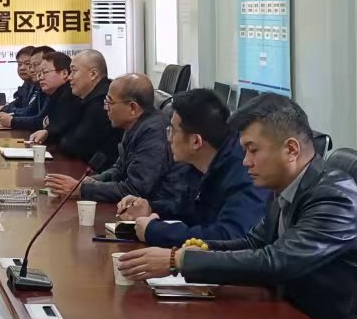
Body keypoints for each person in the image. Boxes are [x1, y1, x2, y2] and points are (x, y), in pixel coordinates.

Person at [117, 94, 357, 319]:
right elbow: (253, 242)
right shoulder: (288, 185)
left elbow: (276, 262)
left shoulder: (334, 199)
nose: (245, 162)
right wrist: (186, 252)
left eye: (253, 150)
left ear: (291, 149)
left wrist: (178, 260)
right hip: (291, 317)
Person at [113, 88, 267, 246]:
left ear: (196, 141)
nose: (169, 138)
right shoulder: (204, 162)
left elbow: (230, 237)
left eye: (173, 131)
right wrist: (150, 208)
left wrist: (155, 231)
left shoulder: (246, 172)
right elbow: (192, 211)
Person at [47, 72, 169, 202]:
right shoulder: (134, 124)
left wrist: (82, 189)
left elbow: (135, 189)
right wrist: (92, 181)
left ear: (132, 108)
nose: (106, 108)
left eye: (110, 102)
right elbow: (119, 170)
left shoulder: (153, 133)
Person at [42, 48, 120, 164]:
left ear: (93, 74)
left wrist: (59, 138)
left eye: (74, 71)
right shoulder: (84, 99)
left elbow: (75, 145)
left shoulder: (102, 101)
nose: (69, 77)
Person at [8, 49, 71, 135]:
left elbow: (40, 121)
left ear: (64, 73)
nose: (40, 77)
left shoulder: (71, 95)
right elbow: (40, 117)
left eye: (45, 72)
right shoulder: (52, 93)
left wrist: (12, 121)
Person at [0, 46, 44, 126]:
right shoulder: (28, 84)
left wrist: (11, 120)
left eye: (27, 64)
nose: (22, 68)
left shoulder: (43, 86)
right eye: (19, 64)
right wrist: (3, 109)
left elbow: (31, 112)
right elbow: (19, 102)